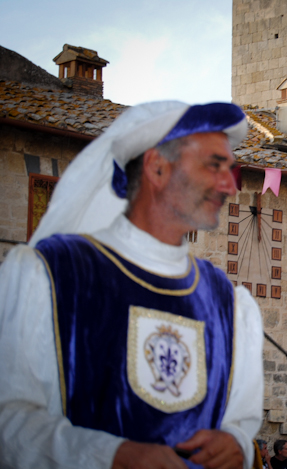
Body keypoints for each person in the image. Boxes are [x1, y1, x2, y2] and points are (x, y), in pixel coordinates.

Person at [0, 101, 263, 469]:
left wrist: (237, 444)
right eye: (214, 165)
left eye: (229, 169)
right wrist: (108, 456)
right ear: (157, 167)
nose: (229, 186)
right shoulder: (49, 274)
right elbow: (9, 419)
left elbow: (240, 420)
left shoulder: (229, 303)